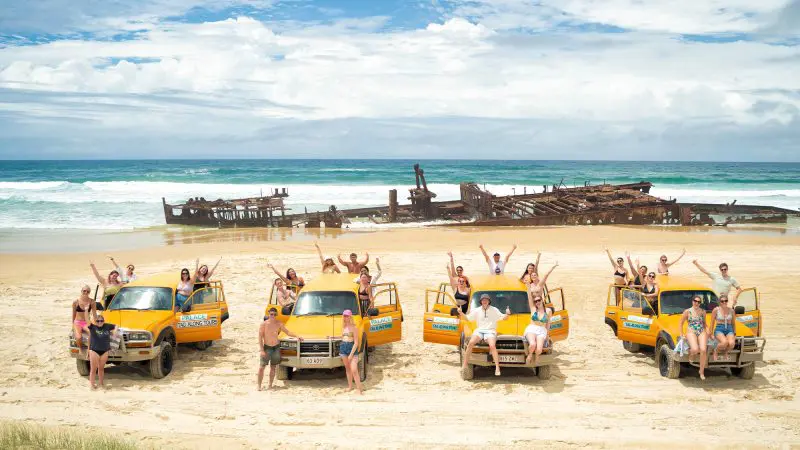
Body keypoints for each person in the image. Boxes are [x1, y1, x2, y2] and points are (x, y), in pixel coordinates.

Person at [456, 293, 511, 376]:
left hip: (490, 330)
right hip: (480, 330)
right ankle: (465, 364)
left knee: (492, 345)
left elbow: (504, 318)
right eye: (483, 300)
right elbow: (467, 318)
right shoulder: (477, 310)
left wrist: (507, 314)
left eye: (486, 300)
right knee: (470, 343)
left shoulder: (494, 309)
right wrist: (461, 313)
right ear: (481, 301)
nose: (484, 301)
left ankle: (497, 367)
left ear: (489, 301)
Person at [258, 307, 302, 391]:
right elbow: (260, 337)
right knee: (261, 367)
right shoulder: (264, 324)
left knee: (273, 367)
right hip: (267, 347)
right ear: (268, 314)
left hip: (276, 347)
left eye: (274, 314)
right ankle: (259, 385)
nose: (273, 316)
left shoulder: (279, 323)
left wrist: (297, 336)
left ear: (276, 315)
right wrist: (262, 350)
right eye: (271, 314)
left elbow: (287, 332)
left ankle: (270, 385)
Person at [328, 310, 364, 394]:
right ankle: (350, 387)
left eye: (347, 316)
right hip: (343, 348)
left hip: (352, 348)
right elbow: (342, 338)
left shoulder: (354, 328)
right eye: (344, 316)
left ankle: (359, 389)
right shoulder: (343, 327)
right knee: (347, 369)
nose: (345, 317)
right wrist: (331, 337)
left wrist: (351, 354)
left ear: (350, 317)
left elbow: (356, 343)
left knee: (354, 369)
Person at [83, 314, 119, 390]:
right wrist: (86, 310)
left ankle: (101, 384)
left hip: (105, 351)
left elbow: (116, 325)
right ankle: (92, 385)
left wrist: (115, 332)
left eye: (101, 321)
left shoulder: (107, 326)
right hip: (94, 351)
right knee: (93, 369)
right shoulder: (92, 327)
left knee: (101, 368)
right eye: (98, 321)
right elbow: (86, 319)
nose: (99, 322)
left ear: (104, 321)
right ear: (95, 321)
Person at [679, 295, 709, 380]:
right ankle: (691, 353)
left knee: (703, 350)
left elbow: (704, 323)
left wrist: (708, 331)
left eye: (699, 302)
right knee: (695, 349)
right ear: (692, 301)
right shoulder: (687, 311)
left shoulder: (703, 311)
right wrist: (681, 334)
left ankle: (701, 371)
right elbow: (681, 323)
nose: (697, 303)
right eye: (695, 301)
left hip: (701, 331)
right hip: (691, 331)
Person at [709, 291, 740, 361]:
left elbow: (733, 323)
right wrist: (711, 333)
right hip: (719, 328)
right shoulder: (716, 310)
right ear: (719, 302)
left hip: (729, 328)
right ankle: (715, 351)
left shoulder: (731, 310)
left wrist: (734, 333)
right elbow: (712, 322)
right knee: (724, 342)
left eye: (726, 301)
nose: (724, 302)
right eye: (722, 301)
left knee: (732, 344)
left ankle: (726, 352)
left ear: (727, 301)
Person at [524, 292, 553, 365]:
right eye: (535, 301)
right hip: (532, 329)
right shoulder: (533, 309)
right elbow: (529, 297)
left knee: (539, 349)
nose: (537, 302)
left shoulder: (548, 311)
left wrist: (547, 335)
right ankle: (530, 355)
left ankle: (537, 356)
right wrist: (528, 286)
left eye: (539, 300)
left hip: (542, 330)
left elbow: (548, 323)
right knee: (532, 344)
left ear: (542, 300)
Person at [72, 285, 96, 349]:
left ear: (89, 292)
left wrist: (97, 324)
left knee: (92, 333)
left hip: (86, 322)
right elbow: (73, 314)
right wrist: (72, 325)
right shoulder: (75, 302)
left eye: (88, 291)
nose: (86, 292)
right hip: (77, 322)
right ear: (81, 291)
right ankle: (80, 349)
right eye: (84, 291)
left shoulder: (92, 302)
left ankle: (89, 348)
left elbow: (94, 315)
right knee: (78, 337)